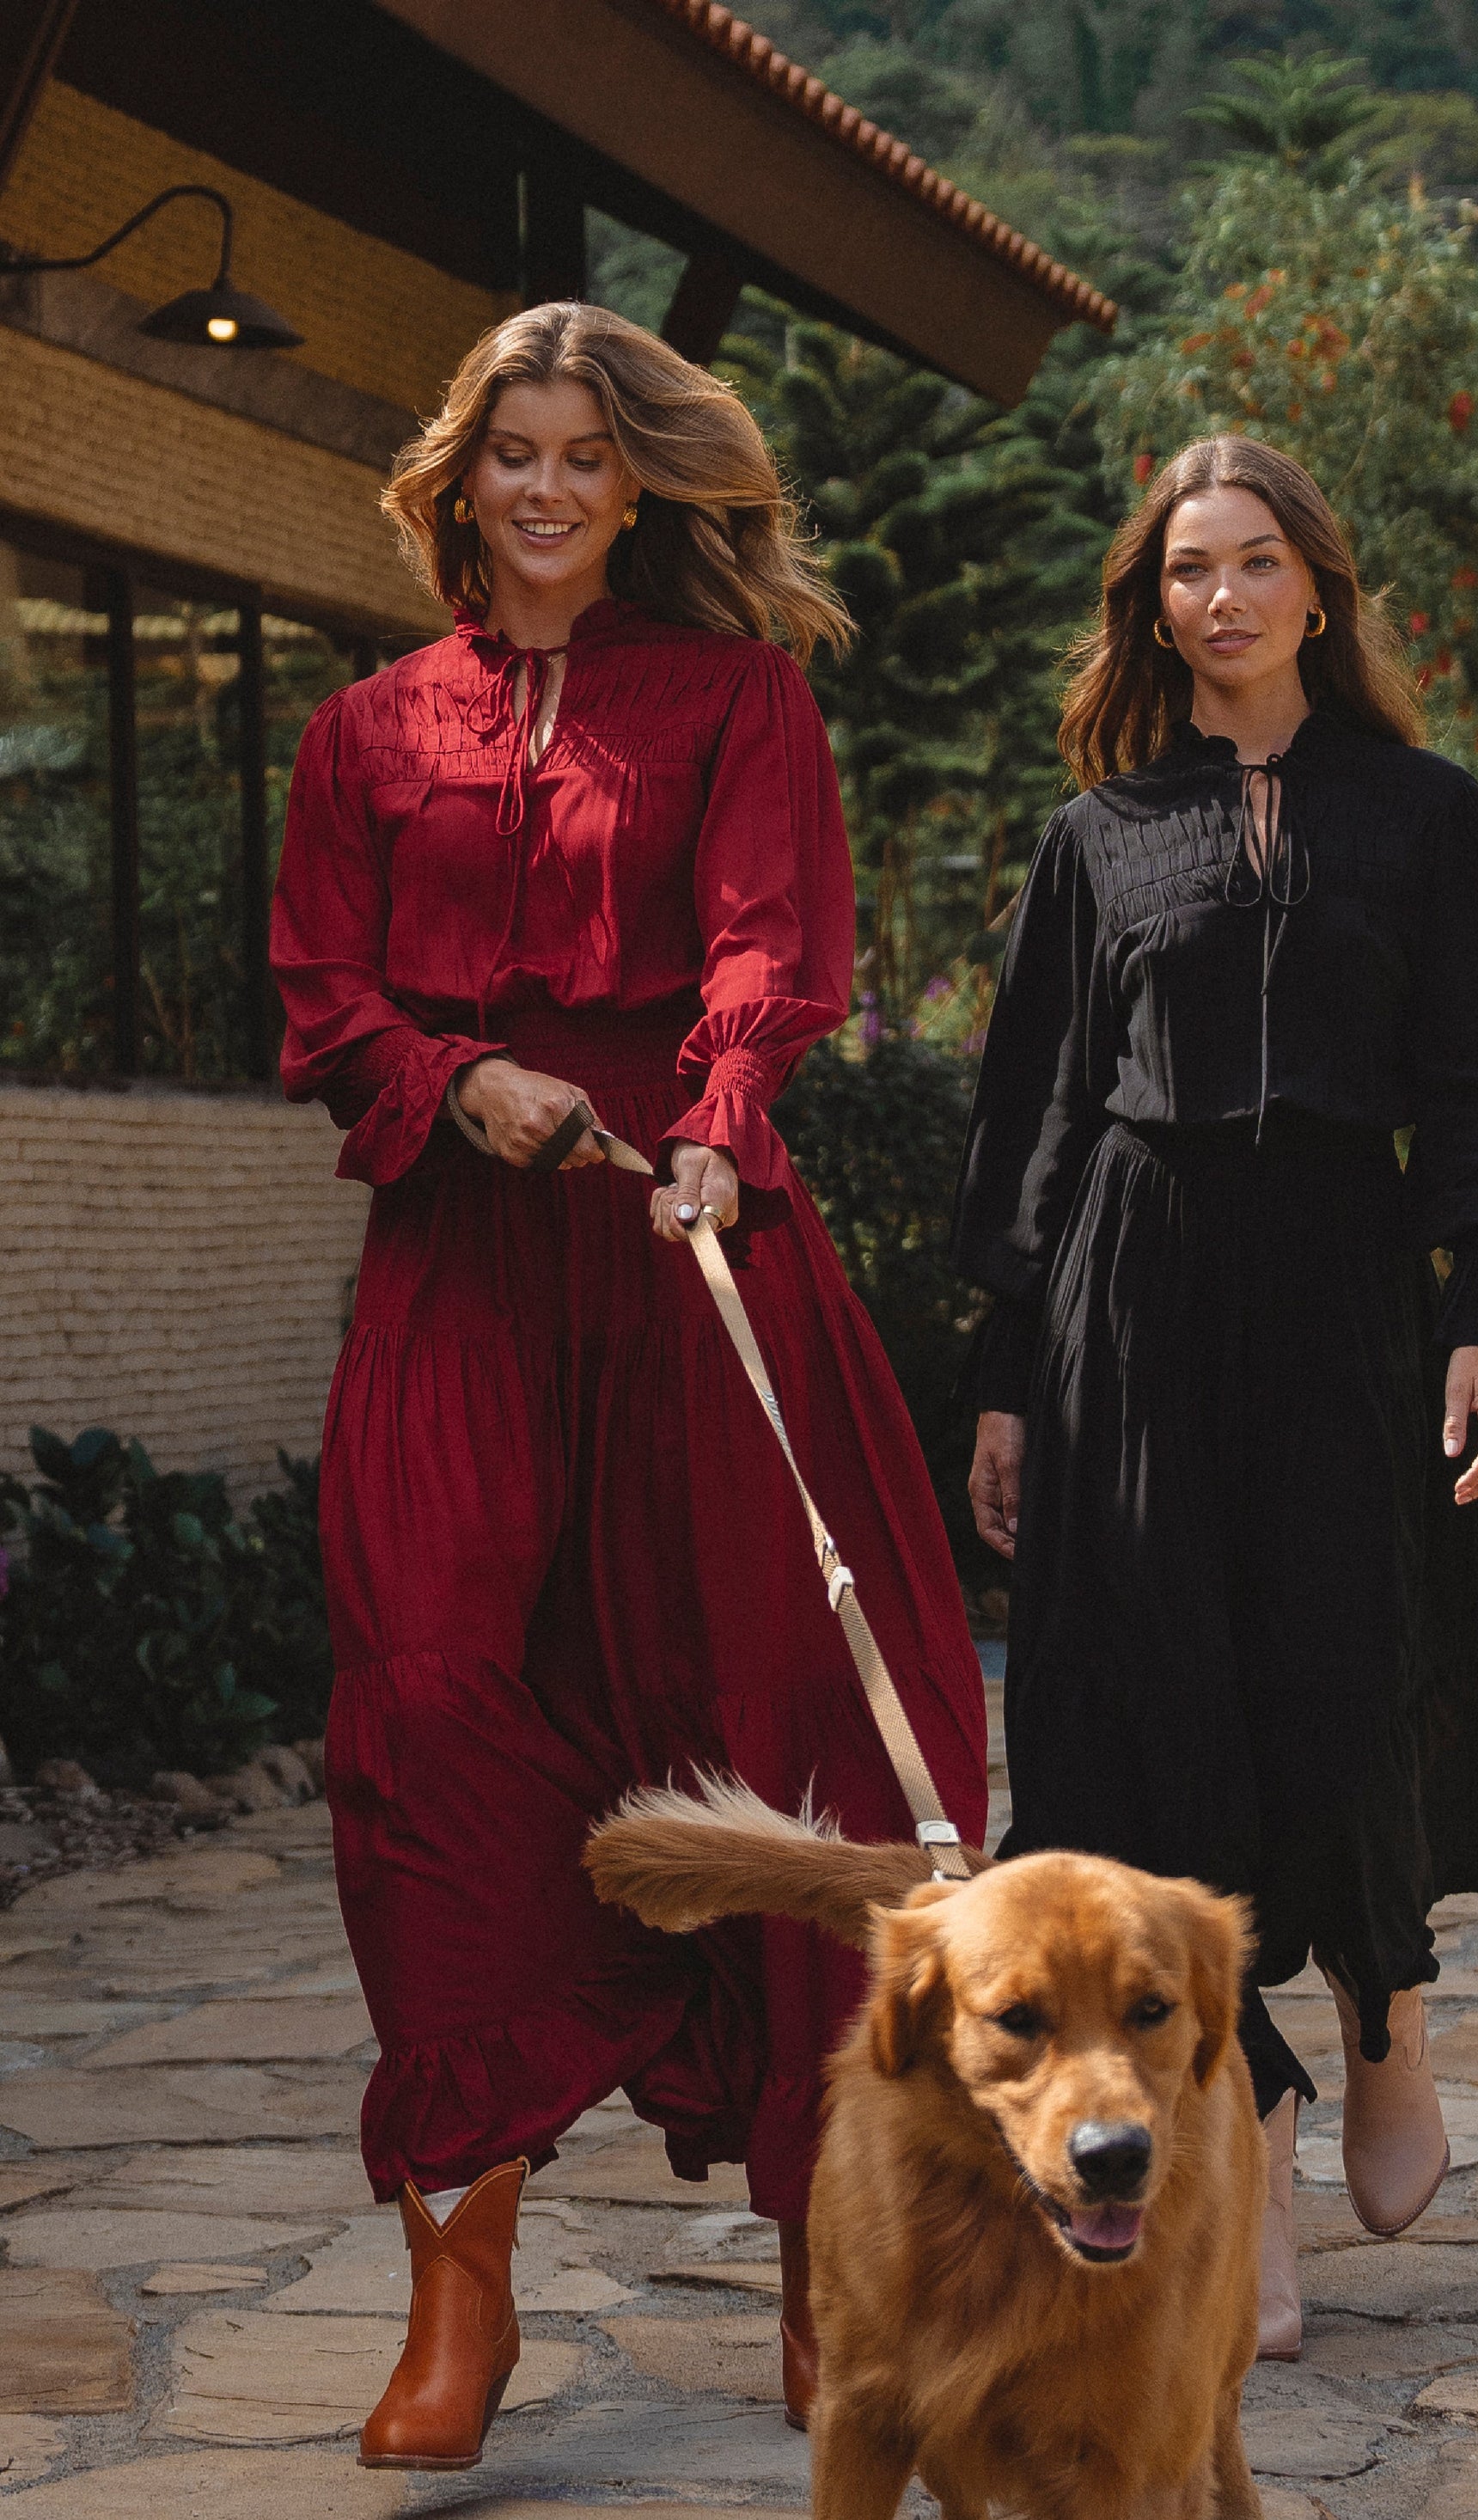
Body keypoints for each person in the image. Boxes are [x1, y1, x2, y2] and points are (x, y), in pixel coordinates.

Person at [270, 301, 986, 2469]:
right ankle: (458, 2275)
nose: (553, 488)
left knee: (769, 1737)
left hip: (695, 1248)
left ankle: (820, 2262)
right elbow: (320, 988)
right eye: (518, 453)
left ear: (641, 479)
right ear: (460, 481)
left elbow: (780, 942)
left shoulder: (739, 695)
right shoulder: (365, 729)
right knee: (424, 1707)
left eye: (590, 453)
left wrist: (717, 1101)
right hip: (460, 1269)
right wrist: (448, 1068)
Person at [952, 437, 1478, 2360]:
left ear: (1317, 588)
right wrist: (1005, 1377)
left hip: (1342, 1301)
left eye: (1251, 563)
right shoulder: (1101, 833)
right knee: (1163, 1724)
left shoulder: (1421, 814)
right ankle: (1249, 2171)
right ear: (1149, 601)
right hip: (1133, 1310)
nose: (1217, 597)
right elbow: (1040, 1119)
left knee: (1349, 1674)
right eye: (1183, 569)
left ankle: (1385, 2011)